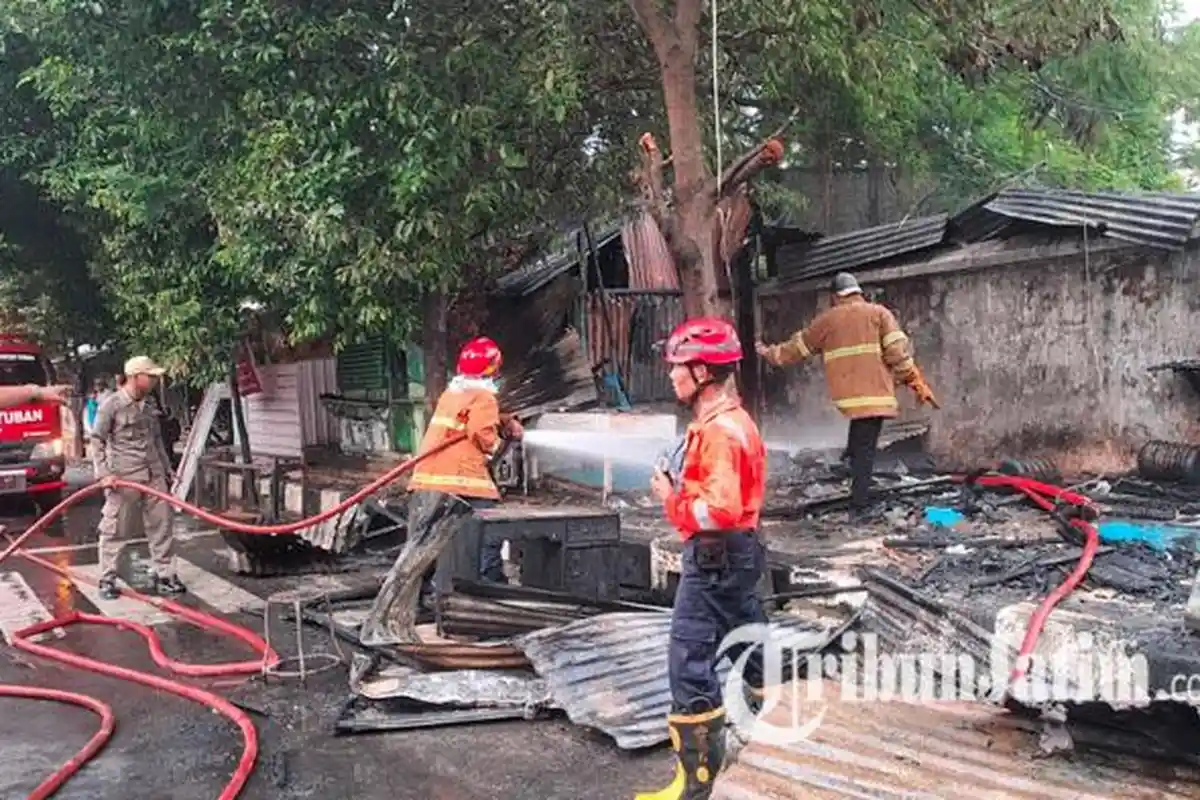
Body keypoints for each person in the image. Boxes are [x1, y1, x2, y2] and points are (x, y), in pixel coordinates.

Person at [635, 317, 768, 800]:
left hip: (715, 555)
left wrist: (670, 499)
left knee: (688, 660)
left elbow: (720, 509)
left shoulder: (719, 432)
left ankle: (696, 786)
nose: (671, 375)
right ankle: (758, 734)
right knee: (745, 636)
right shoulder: (728, 421)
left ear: (704, 372)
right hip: (737, 555)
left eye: (678, 367)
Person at [358, 336, 523, 646]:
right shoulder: (485, 398)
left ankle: (416, 602)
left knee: (423, 547)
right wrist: (504, 443)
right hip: (462, 481)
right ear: (492, 369)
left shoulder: (454, 392)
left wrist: (503, 422)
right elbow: (481, 433)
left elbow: (465, 423)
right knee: (489, 529)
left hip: (427, 480)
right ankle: (492, 590)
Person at [756, 272, 938, 519]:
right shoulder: (879, 314)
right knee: (867, 450)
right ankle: (860, 503)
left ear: (835, 297)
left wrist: (769, 353)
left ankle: (848, 463)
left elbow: (796, 348)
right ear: (858, 292)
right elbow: (897, 353)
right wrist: (914, 381)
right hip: (876, 395)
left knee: (859, 436)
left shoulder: (827, 320)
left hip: (849, 398)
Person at [91, 356, 182, 600]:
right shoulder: (112, 405)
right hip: (124, 476)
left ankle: (165, 574)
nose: (153, 380)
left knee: (162, 524)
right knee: (115, 528)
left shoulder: (149, 406)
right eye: (149, 376)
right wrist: (105, 474)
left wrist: (166, 469)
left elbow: (156, 441)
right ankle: (107, 578)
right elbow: (97, 440)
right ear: (134, 377)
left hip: (153, 474)